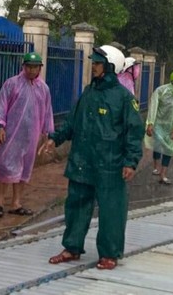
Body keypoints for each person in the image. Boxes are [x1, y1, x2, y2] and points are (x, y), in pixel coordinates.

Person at [40, 45, 144, 270]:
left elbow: (134, 132)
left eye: (97, 63)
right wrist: (54, 139)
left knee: (111, 212)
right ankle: (72, 248)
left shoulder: (124, 99)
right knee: (76, 207)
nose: (93, 66)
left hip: (111, 166)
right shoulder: (88, 93)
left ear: (109, 67)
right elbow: (72, 122)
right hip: (82, 162)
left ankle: (109, 254)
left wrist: (130, 161)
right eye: (94, 62)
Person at [0, 52, 54, 217]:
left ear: (40, 68)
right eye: (29, 66)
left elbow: (47, 113)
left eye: (35, 67)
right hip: (10, 134)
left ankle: (16, 203)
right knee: (5, 166)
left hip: (31, 136)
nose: (32, 70)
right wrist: (0, 126)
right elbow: (1, 105)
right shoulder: (12, 84)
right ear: (23, 67)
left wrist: (49, 135)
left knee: (25, 168)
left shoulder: (44, 88)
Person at [145, 71, 173, 185]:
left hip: (170, 126)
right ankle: (156, 166)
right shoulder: (161, 91)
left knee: (169, 149)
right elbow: (153, 107)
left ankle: (163, 174)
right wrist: (150, 123)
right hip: (158, 124)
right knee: (158, 145)